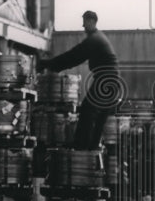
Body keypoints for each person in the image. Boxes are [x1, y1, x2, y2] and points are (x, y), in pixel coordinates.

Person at [38, 10, 123, 152]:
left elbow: (74, 56)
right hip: (112, 81)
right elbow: (75, 57)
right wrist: (54, 65)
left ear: (92, 21)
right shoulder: (98, 38)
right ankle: (92, 147)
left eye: (85, 21)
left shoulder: (94, 39)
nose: (83, 25)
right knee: (100, 115)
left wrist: (48, 64)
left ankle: (81, 146)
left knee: (88, 109)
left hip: (107, 80)